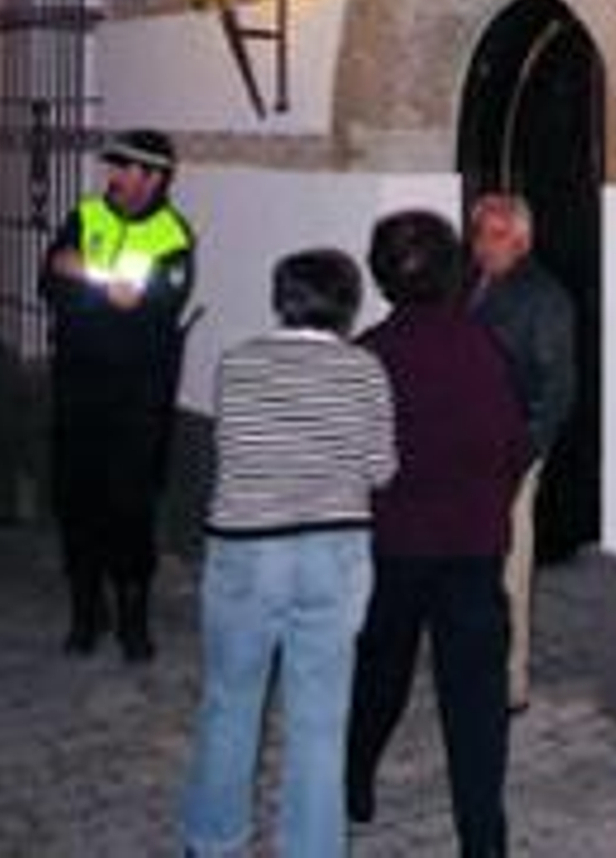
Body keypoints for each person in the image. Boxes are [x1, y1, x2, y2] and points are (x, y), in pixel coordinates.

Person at [181, 248, 396, 858]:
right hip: (335, 551)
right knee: (321, 719)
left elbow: (230, 445)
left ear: (282, 300)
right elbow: (380, 471)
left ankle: (214, 840)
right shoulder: (365, 371)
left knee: (229, 701)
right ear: (348, 305)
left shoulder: (239, 364)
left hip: (247, 550)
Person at [346, 210, 530, 858]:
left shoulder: (370, 353)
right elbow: (512, 441)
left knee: (379, 671)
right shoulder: (483, 347)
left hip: (394, 546)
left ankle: (353, 778)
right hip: (472, 548)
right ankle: (483, 839)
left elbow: (354, 460)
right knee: (475, 704)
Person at [41, 127, 194, 660]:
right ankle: (85, 612)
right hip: (78, 389)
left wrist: (85, 278)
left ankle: (133, 616)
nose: (114, 178)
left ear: (154, 178)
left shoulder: (173, 238)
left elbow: (144, 306)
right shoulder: (86, 216)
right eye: (114, 168)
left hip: (137, 401)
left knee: (130, 510)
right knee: (75, 502)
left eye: (126, 169)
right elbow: (51, 279)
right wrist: (102, 286)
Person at [466, 192, 576, 713]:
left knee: (511, 564)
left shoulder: (544, 297)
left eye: (495, 235)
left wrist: (526, 449)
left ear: (522, 239)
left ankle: (510, 679)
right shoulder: (473, 285)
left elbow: (557, 387)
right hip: (469, 444)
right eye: (479, 234)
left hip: (512, 450)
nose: (483, 246)